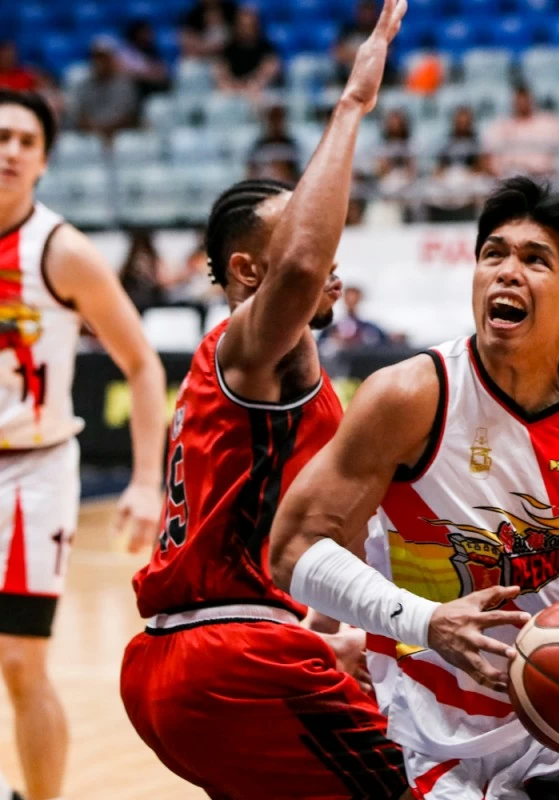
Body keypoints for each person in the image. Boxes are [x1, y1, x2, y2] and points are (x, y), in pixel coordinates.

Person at [268, 176, 559, 800]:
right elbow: (293, 548)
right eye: (494, 254)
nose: (507, 272)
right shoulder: (410, 396)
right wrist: (428, 622)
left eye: (534, 260)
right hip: (424, 715)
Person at [118, 5, 435, 796]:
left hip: (196, 654)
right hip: (227, 657)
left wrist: (329, 636)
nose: (328, 263)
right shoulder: (253, 346)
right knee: (430, 786)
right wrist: (352, 104)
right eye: (306, 243)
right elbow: (298, 272)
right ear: (248, 271)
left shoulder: (273, 367)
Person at [0, 88, 165, 800]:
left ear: (42, 161)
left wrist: (143, 481)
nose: (9, 151)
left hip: (30, 474)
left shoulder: (61, 251)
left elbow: (143, 364)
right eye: (0, 136)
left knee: (19, 661)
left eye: (24, 143)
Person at [483, 84, 559, 179]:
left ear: (532, 100)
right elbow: (487, 154)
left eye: (525, 99)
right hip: (508, 179)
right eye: (519, 100)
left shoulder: (549, 122)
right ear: (513, 101)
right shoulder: (500, 125)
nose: (522, 103)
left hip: (543, 178)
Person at [67, 38, 141, 142]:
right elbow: (78, 114)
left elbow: (130, 116)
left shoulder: (125, 85)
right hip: (90, 136)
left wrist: (107, 129)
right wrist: (95, 129)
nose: (99, 62)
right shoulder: (84, 85)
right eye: (96, 57)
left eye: (104, 58)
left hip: (119, 136)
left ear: (112, 59)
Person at [427, 106, 491, 222]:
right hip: (449, 177)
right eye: (459, 122)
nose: (462, 125)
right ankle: (431, 222)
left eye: (465, 122)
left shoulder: (476, 141)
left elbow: (482, 166)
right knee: (428, 188)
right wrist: (442, 176)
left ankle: (481, 221)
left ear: (470, 123)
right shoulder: (446, 142)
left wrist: (469, 174)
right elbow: (438, 167)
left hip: (469, 177)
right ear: (454, 122)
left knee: (484, 186)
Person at [214, 6, 281, 98]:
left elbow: (270, 69)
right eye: (243, 25)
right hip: (233, 89)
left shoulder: (267, 47)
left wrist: (253, 84)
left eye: (249, 25)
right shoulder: (228, 48)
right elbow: (221, 71)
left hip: (258, 89)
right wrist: (233, 86)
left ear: (256, 26)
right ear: (236, 26)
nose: (246, 30)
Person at [318, 285, 389, 353]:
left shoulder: (370, 328)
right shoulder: (331, 329)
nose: (351, 301)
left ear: (359, 299)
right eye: (348, 298)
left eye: (354, 298)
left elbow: (384, 343)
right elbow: (320, 346)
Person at [116, 20, 172, 99]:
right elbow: (124, 72)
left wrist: (145, 74)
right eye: (144, 33)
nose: (147, 36)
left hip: (151, 90)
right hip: (132, 90)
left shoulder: (153, 51)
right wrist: (145, 74)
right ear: (135, 34)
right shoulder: (126, 51)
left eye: (148, 33)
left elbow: (162, 74)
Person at [118, 228, 169, 312]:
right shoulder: (130, 259)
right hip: (131, 303)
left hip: (151, 304)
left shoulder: (153, 259)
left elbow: (162, 280)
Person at [248, 103, 302, 183]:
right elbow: (251, 172)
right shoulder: (259, 145)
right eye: (272, 118)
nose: (275, 123)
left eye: (278, 118)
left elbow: (297, 174)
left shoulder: (291, 145)